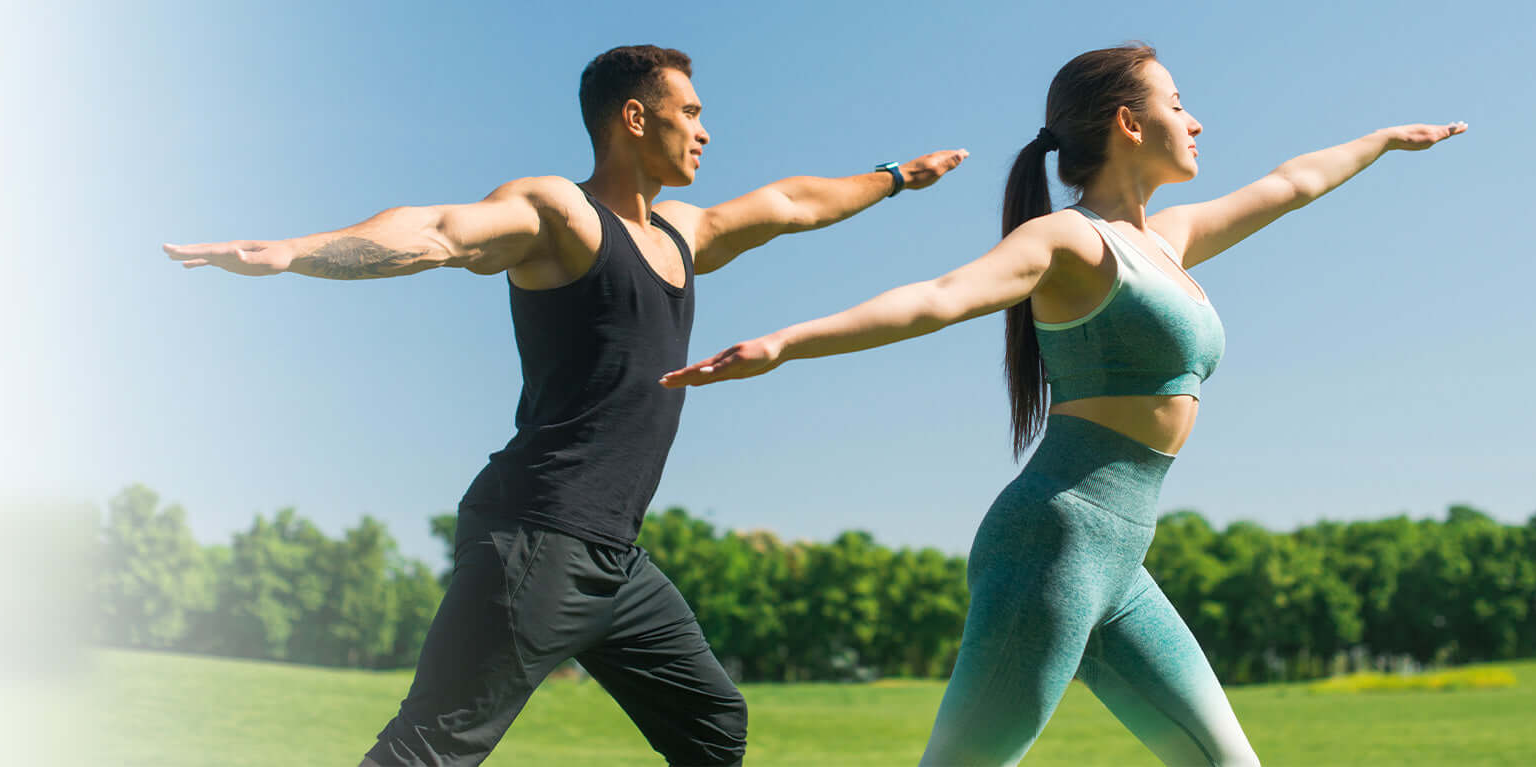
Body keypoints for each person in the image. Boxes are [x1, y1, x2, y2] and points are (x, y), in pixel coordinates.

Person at [657, 43, 1464, 766]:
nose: (1198, 120)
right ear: (1129, 123)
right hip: (1051, 549)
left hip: (1118, 563)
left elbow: (1292, 184)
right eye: (1178, 103)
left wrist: (1385, 141)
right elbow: (939, 298)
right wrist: (784, 343)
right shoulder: (1071, 243)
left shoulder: (1167, 240)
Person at [165, 44, 967, 766]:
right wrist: (295, 253)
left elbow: (793, 204)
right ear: (633, 116)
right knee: (428, 749)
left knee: (714, 723)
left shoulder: (683, 231)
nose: (705, 131)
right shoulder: (563, 216)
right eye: (689, 112)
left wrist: (896, 177)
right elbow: (439, 230)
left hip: (615, 560)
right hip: (538, 538)